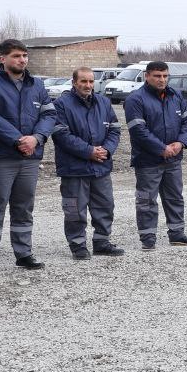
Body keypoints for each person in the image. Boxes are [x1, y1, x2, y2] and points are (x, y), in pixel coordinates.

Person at [0, 39, 57, 276]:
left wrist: (36, 138)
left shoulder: (36, 85)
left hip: (29, 158)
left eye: (25, 55)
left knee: (23, 207)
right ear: (3, 59)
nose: (22, 60)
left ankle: (23, 254)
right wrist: (20, 140)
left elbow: (50, 114)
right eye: (17, 56)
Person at [51, 67, 124, 259]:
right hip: (74, 168)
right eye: (83, 81)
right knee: (75, 208)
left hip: (101, 166)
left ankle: (102, 241)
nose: (88, 85)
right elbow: (61, 135)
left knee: (105, 206)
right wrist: (89, 151)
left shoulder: (104, 103)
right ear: (74, 82)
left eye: (91, 81)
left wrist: (106, 150)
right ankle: (78, 245)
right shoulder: (61, 104)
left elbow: (115, 130)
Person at [124, 61, 187, 249]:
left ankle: (177, 234)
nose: (162, 79)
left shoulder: (176, 95)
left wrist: (180, 143)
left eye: (165, 76)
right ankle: (148, 239)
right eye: (157, 76)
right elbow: (139, 130)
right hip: (148, 160)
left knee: (174, 197)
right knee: (147, 200)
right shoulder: (135, 99)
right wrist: (161, 148)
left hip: (173, 158)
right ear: (147, 76)